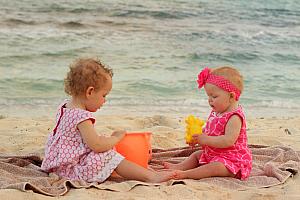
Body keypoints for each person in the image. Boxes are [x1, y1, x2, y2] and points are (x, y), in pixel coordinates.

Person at [41, 58, 174, 183]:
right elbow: (97, 146)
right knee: (108, 155)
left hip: (57, 164)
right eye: (104, 95)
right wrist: (116, 138)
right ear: (90, 92)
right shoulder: (81, 117)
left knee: (106, 148)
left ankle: (138, 172)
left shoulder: (65, 106)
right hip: (70, 170)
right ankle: (150, 177)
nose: (105, 100)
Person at [164, 66, 252, 180]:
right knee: (196, 155)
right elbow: (211, 131)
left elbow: (228, 141)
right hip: (214, 154)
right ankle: (180, 167)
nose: (210, 100)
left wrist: (206, 139)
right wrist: (198, 138)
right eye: (208, 96)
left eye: (214, 96)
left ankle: (187, 174)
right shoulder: (217, 112)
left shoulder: (234, 117)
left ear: (231, 96)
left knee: (214, 167)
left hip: (232, 161)